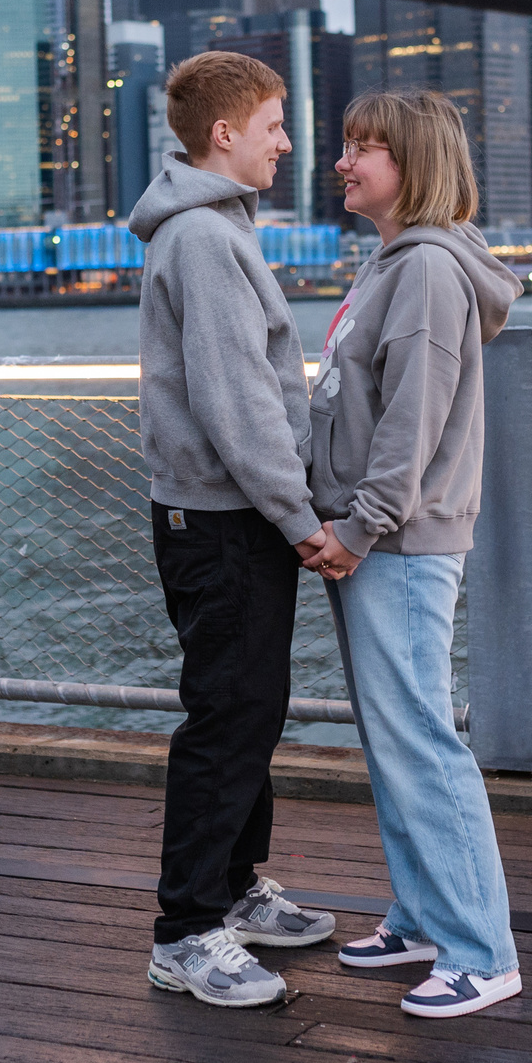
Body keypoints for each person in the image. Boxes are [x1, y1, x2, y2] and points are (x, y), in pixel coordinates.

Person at [304, 89, 524, 1019]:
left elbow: (413, 425)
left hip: (395, 540)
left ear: (415, 165)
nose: (345, 162)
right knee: (393, 738)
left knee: (423, 739)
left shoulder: (428, 270)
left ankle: (481, 948)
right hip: (374, 537)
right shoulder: (390, 263)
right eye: (347, 145)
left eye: (366, 149)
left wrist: (356, 529)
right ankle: (424, 915)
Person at [128, 49, 339, 1007]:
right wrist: (298, 517)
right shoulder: (207, 241)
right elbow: (238, 398)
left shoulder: (210, 229)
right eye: (274, 125)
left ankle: (236, 893)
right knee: (227, 718)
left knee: (248, 708)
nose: (287, 143)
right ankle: (185, 931)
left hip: (222, 513)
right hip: (226, 520)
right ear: (226, 133)